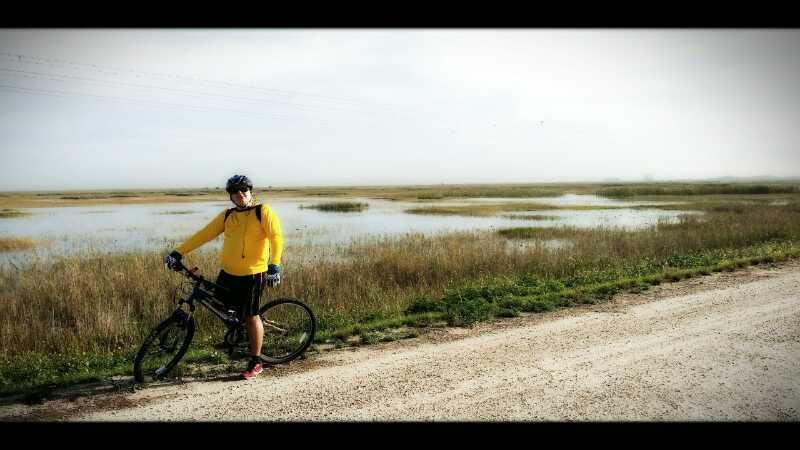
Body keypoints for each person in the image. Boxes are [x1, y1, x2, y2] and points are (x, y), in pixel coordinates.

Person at [163, 175, 283, 380]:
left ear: (250, 192)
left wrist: (274, 265)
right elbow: (204, 234)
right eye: (235, 192)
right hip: (228, 273)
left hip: (253, 274)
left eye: (244, 190)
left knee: (250, 316)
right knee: (222, 306)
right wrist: (178, 252)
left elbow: (276, 237)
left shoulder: (262, 212)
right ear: (231, 196)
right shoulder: (228, 216)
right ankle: (239, 335)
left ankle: (256, 361)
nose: (240, 194)